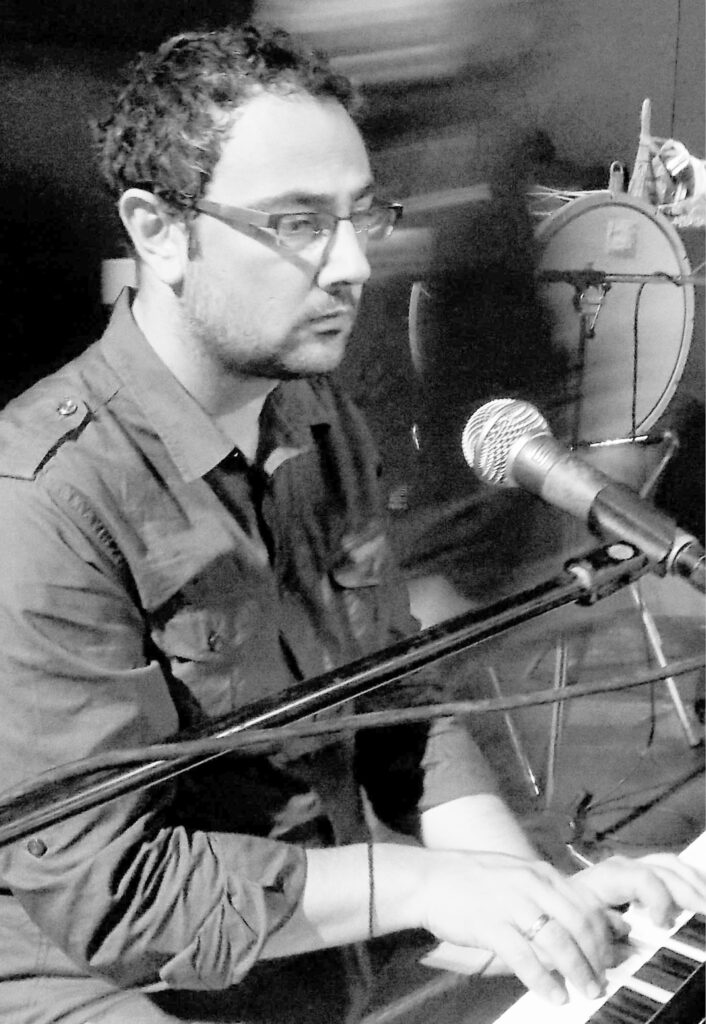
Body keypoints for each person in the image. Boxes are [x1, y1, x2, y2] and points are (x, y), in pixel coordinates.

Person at [0, 23, 703, 1024]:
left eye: (360, 214)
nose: (351, 265)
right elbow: (113, 892)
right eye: (295, 222)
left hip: (310, 960)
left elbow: (398, 702)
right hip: (113, 988)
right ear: (157, 231)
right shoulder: (42, 500)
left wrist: (532, 899)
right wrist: (421, 885)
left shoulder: (318, 418)